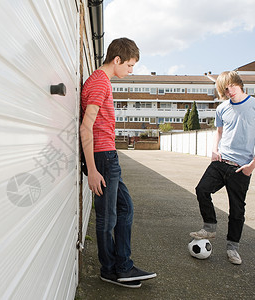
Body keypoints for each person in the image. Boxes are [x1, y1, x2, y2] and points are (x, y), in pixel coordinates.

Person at [80, 37, 156, 288]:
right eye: (130, 65)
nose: (131, 70)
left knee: (125, 209)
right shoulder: (100, 83)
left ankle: (122, 266)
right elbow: (86, 128)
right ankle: (111, 269)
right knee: (107, 217)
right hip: (102, 157)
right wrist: (91, 169)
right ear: (117, 60)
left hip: (108, 156)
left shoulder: (100, 81)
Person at [190, 71, 255, 265]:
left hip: (241, 167)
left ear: (239, 83)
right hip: (220, 162)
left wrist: (252, 165)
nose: (228, 92)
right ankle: (209, 227)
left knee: (237, 210)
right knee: (201, 189)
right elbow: (218, 133)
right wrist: (213, 150)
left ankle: (232, 248)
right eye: (224, 89)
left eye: (231, 87)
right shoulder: (222, 108)